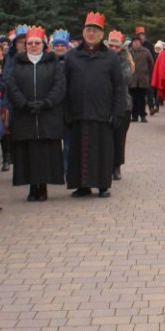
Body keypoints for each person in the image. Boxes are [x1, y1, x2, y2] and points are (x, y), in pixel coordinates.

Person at [64, 13, 126, 198]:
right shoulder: (72, 56)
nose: (91, 34)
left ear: (101, 34)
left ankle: (102, 185)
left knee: (102, 152)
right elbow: (64, 85)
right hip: (78, 113)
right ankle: (81, 185)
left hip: (102, 113)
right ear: (83, 32)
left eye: (95, 31)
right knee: (78, 151)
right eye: (88, 30)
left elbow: (118, 87)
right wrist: (66, 111)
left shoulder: (110, 58)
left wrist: (117, 112)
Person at [6, 27, 66, 202]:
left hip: (48, 115)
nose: (33, 46)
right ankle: (32, 187)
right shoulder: (18, 63)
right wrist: (24, 103)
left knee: (45, 154)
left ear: (43, 45)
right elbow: (12, 86)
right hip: (25, 115)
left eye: (36, 43)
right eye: (29, 43)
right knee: (28, 154)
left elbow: (59, 85)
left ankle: (43, 187)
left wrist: (46, 102)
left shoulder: (52, 62)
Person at [106, 30, 133, 179]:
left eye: (116, 46)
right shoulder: (102, 57)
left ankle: (117, 166)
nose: (113, 49)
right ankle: (106, 165)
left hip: (123, 104)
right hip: (104, 104)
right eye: (111, 46)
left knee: (119, 137)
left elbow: (127, 77)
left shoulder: (126, 58)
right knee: (106, 138)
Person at [128, 33, 154, 122]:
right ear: (132, 43)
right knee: (133, 99)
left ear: (140, 42)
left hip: (143, 79)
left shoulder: (146, 51)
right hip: (132, 79)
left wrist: (150, 76)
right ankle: (134, 116)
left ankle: (143, 115)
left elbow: (151, 64)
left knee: (142, 99)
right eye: (135, 42)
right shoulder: (128, 52)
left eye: (138, 42)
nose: (136, 43)